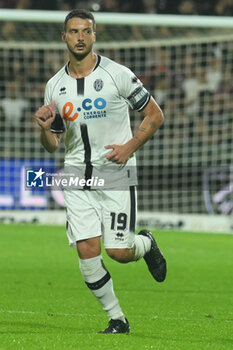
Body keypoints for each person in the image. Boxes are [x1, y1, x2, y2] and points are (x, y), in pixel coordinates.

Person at [34, 9, 166, 334]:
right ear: (63, 37)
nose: (80, 37)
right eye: (74, 31)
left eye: (86, 31)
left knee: (119, 252)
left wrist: (129, 147)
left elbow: (154, 115)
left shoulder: (117, 74)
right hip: (77, 177)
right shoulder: (54, 86)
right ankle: (117, 319)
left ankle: (146, 243)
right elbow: (52, 144)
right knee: (86, 251)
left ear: (95, 35)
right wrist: (42, 128)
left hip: (116, 174)